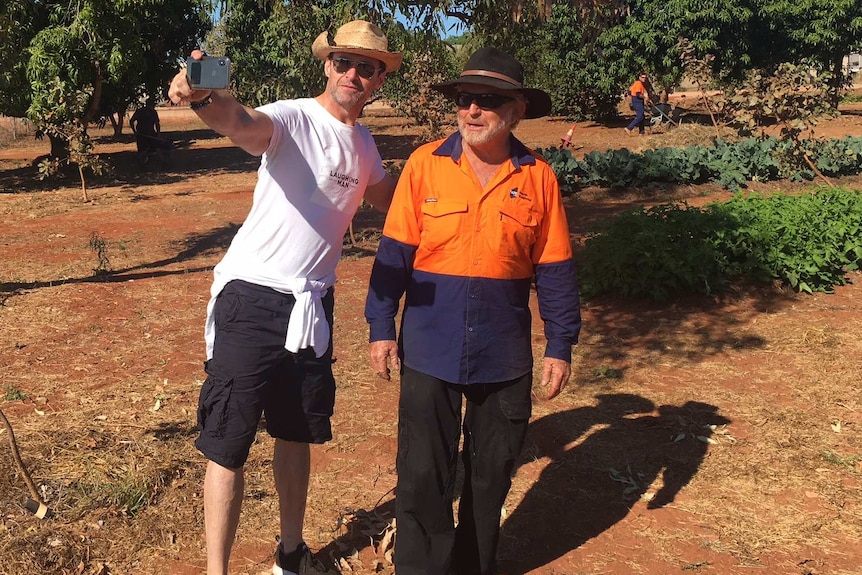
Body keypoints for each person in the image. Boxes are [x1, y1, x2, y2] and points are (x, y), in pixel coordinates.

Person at [167, 20, 401, 575]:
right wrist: (201, 90)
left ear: (378, 81)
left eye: (366, 67)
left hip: (312, 306)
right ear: (327, 65)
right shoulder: (295, 116)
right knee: (229, 440)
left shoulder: (364, 144)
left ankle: (291, 554)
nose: (353, 73)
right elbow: (242, 123)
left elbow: (394, 200)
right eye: (343, 61)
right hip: (252, 297)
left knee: (295, 435)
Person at [364, 47, 582, 575]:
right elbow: (393, 255)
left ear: (516, 111)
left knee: (490, 478)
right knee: (421, 473)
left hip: (502, 352)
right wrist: (380, 327)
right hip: (428, 345)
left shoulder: (539, 179)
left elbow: (554, 270)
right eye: (465, 100)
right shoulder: (423, 166)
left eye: (488, 101)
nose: (472, 111)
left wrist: (560, 343)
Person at [129, 99, 168, 164]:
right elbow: (157, 124)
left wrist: (135, 132)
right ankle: (142, 164)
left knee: (150, 149)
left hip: (146, 133)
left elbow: (131, 121)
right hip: (144, 134)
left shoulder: (142, 111)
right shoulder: (151, 112)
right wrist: (158, 134)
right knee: (149, 149)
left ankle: (161, 162)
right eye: (153, 105)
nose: (153, 107)